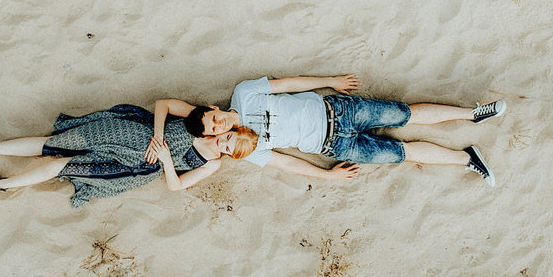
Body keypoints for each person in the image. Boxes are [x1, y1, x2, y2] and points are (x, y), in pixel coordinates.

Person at [171, 74, 501, 184]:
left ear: (214, 109)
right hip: (334, 148)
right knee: (402, 152)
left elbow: (289, 83)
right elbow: (287, 163)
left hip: (337, 110)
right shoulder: (245, 147)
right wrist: (327, 176)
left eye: (213, 118)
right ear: (214, 137)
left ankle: (473, 114)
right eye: (213, 130)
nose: (218, 125)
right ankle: (466, 158)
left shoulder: (244, 93)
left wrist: (331, 82)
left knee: (406, 115)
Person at [0, 105, 256, 207]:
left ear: (229, 156)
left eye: (228, 148)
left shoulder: (212, 163)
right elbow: (164, 104)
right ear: (231, 129)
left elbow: (176, 186)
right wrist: (158, 137)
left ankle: (2, 186)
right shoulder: (206, 121)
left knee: (61, 165)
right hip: (127, 134)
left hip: (136, 166)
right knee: (54, 144)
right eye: (228, 137)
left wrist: (165, 159)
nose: (222, 142)